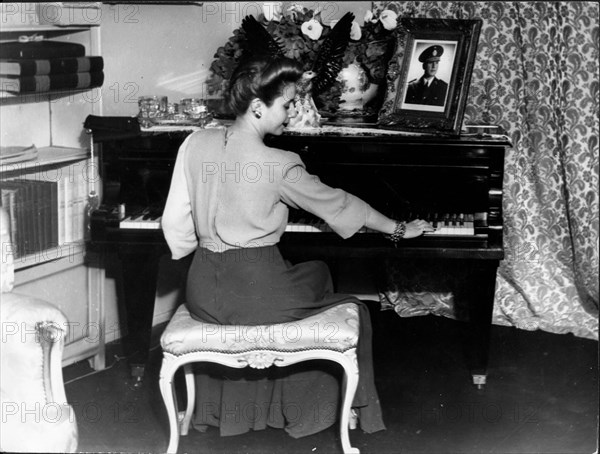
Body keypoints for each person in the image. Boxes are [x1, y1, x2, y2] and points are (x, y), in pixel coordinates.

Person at [161, 55, 435, 439]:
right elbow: (339, 203)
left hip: (202, 289)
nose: (291, 114)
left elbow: (174, 224)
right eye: (287, 104)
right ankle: (325, 410)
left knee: (309, 274)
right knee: (347, 299)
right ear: (258, 107)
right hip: (257, 291)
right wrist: (397, 228)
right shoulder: (279, 162)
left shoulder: (194, 143)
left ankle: (241, 410)